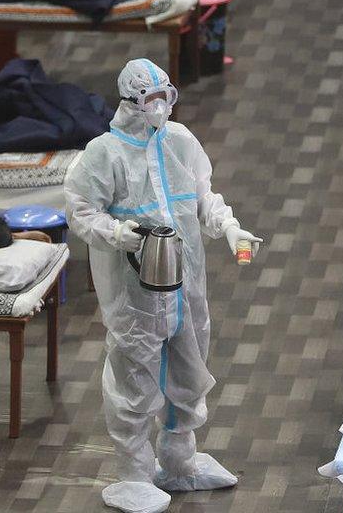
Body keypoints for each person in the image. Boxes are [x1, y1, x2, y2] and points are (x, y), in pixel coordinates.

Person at [64, 59, 263, 513]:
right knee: (135, 378)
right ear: (131, 101)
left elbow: (202, 197)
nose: (160, 108)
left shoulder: (180, 141)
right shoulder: (103, 153)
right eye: (151, 99)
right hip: (134, 292)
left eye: (165, 97)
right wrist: (118, 234)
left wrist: (229, 229)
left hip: (186, 287)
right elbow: (80, 212)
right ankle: (134, 475)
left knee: (188, 370)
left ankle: (179, 460)